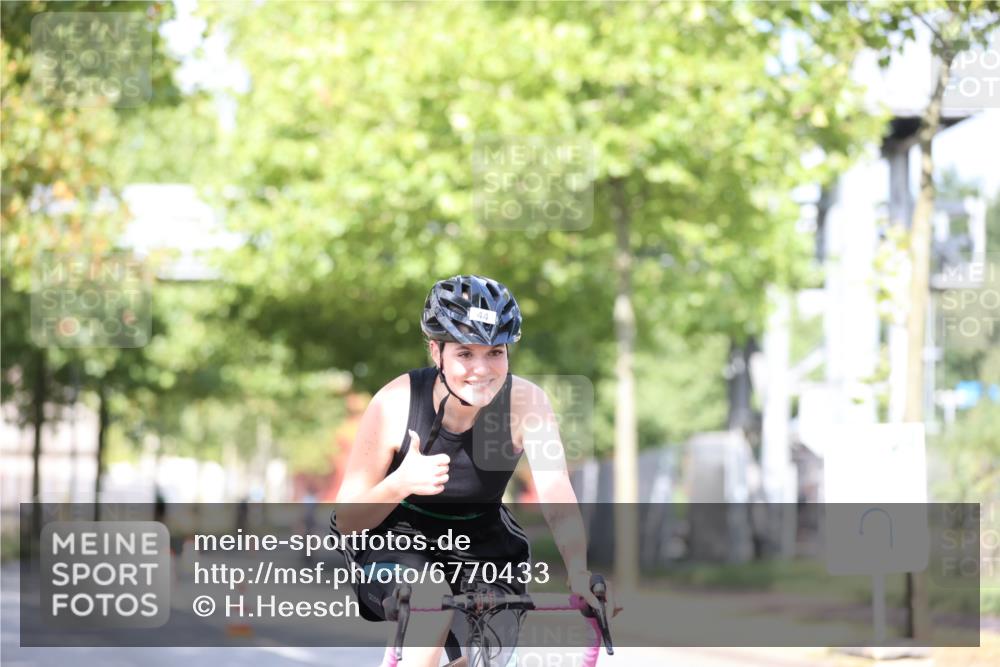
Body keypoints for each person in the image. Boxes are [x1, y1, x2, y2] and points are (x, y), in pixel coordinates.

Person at [331, 274, 619, 667]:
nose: (481, 370)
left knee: (489, 659)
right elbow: (347, 520)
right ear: (437, 351)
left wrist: (579, 573)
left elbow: (556, 494)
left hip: (482, 544)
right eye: (465, 354)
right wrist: (401, 483)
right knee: (431, 601)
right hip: (398, 541)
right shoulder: (396, 402)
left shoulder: (527, 403)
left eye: (495, 353)